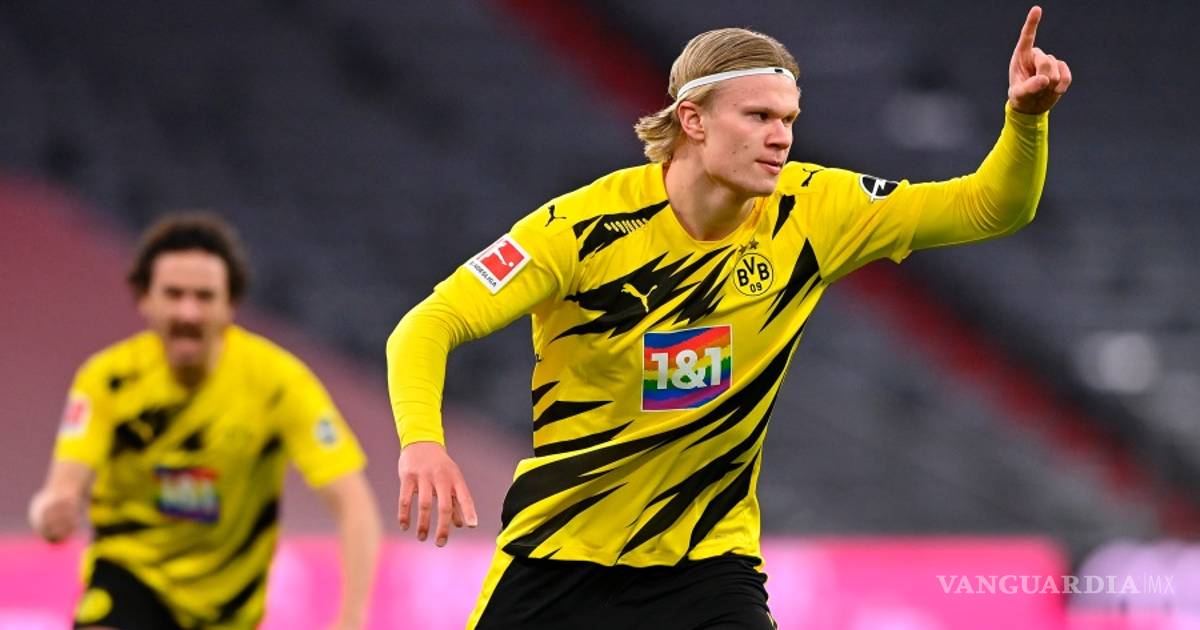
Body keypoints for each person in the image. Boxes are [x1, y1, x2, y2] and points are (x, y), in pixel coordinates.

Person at [387, 6, 1071, 628]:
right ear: (693, 120)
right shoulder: (580, 229)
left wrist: (1026, 120)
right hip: (559, 560)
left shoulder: (814, 210)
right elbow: (429, 323)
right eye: (759, 117)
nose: (781, 138)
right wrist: (422, 442)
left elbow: (989, 207)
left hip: (707, 566)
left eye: (789, 120)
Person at [28, 214, 382, 630]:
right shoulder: (107, 380)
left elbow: (354, 504)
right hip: (130, 577)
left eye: (204, 296)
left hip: (228, 610)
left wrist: (351, 618)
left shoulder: (278, 383)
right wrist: (50, 515)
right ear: (144, 299)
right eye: (174, 294)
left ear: (230, 305)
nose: (188, 312)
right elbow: (59, 492)